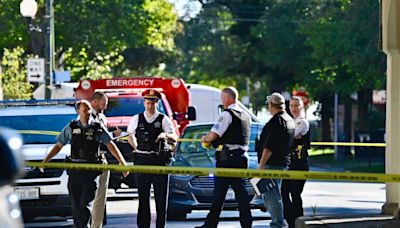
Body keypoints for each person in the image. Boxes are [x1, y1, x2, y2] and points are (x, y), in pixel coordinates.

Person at [40, 100, 128, 228]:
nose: (87, 112)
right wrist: (45, 161)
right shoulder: (71, 127)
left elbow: (110, 144)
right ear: (78, 111)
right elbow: (58, 145)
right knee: (76, 206)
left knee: (85, 203)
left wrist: (122, 162)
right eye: (84, 110)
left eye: (89, 109)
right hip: (75, 171)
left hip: (91, 172)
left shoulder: (97, 127)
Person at [196, 87, 252, 228]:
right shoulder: (245, 115)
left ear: (227, 98)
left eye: (222, 97)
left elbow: (214, 134)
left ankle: (210, 225)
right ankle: (247, 223)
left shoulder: (226, 115)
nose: (222, 100)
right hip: (241, 158)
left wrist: (204, 138)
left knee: (219, 194)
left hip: (227, 159)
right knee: (241, 193)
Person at [127, 89, 177, 228]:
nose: (150, 106)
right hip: (142, 161)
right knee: (143, 198)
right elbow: (129, 134)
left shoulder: (163, 119)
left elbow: (174, 137)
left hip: (159, 162)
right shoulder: (137, 118)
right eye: (148, 103)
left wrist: (164, 136)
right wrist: (134, 144)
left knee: (161, 199)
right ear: (144, 103)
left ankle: (160, 225)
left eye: (153, 103)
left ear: (157, 103)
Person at [257, 92, 295, 228]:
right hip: (282, 163)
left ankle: (277, 224)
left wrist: (261, 167)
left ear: (271, 105)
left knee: (272, 195)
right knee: (272, 194)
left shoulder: (276, 122)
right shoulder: (289, 120)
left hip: (272, 164)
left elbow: (269, 147)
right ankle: (279, 221)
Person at [89, 92, 122, 228]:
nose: (105, 106)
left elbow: (105, 139)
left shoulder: (102, 117)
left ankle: (96, 225)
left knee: (100, 199)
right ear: (95, 102)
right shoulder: (87, 117)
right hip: (88, 162)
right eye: (104, 103)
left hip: (102, 159)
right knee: (87, 198)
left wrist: (114, 135)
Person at [281, 96, 310, 228]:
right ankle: (290, 220)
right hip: (289, 163)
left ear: (301, 107)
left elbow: (289, 137)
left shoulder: (302, 122)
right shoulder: (290, 121)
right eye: (291, 105)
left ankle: (298, 221)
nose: (293, 108)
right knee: (284, 191)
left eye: (296, 106)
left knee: (295, 192)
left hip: (299, 163)